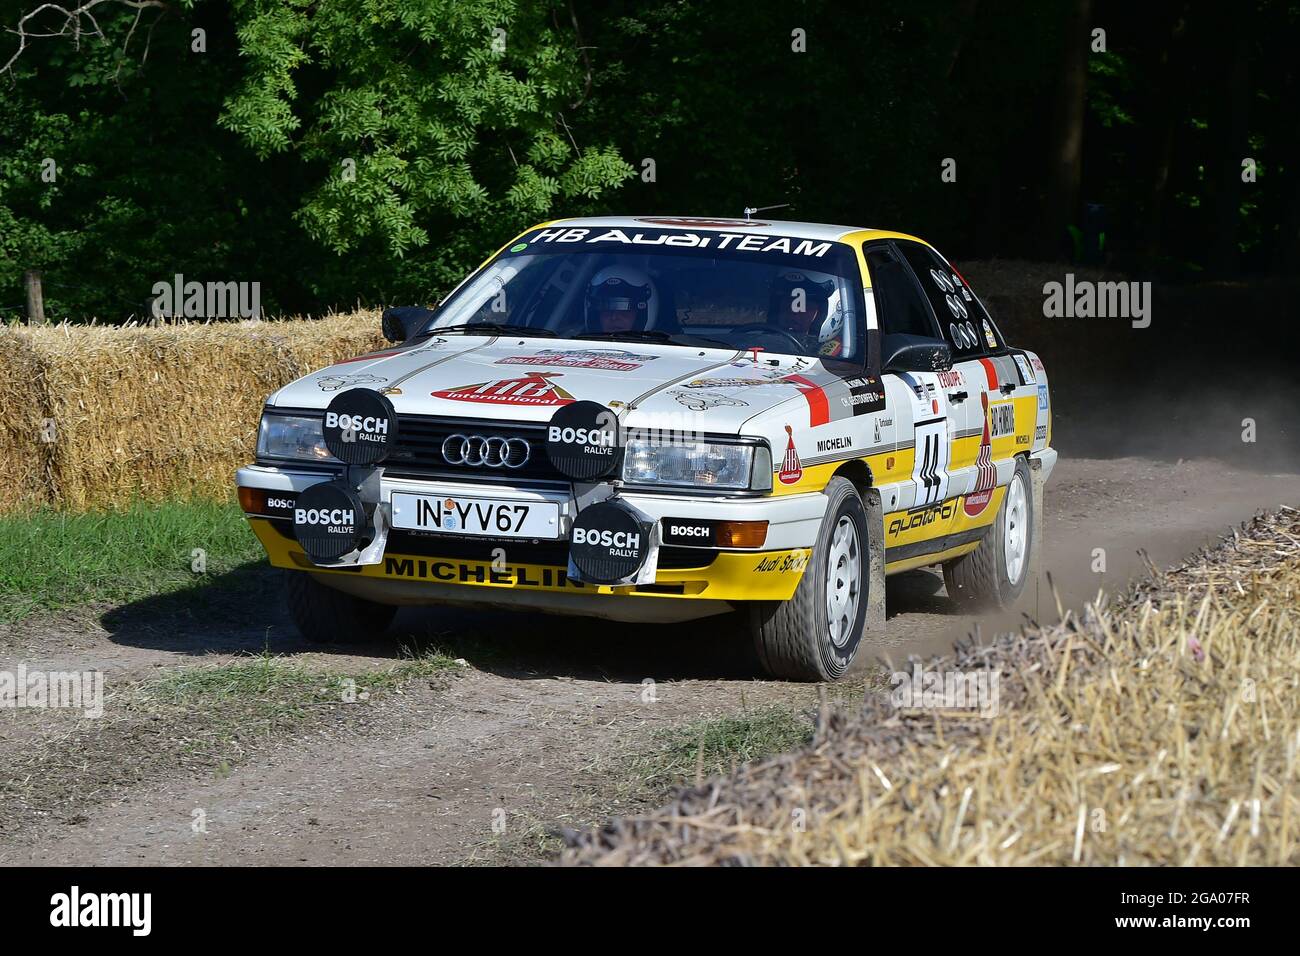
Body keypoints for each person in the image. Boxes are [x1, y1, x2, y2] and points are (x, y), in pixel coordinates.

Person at [770, 270, 845, 357]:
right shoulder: (761, 341)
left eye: (804, 305)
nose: (793, 313)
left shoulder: (839, 357)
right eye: (787, 303)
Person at [585, 265, 656, 333]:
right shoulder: (579, 339)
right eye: (606, 310)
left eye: (625, 310)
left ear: (640, 315)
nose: (614, 317)